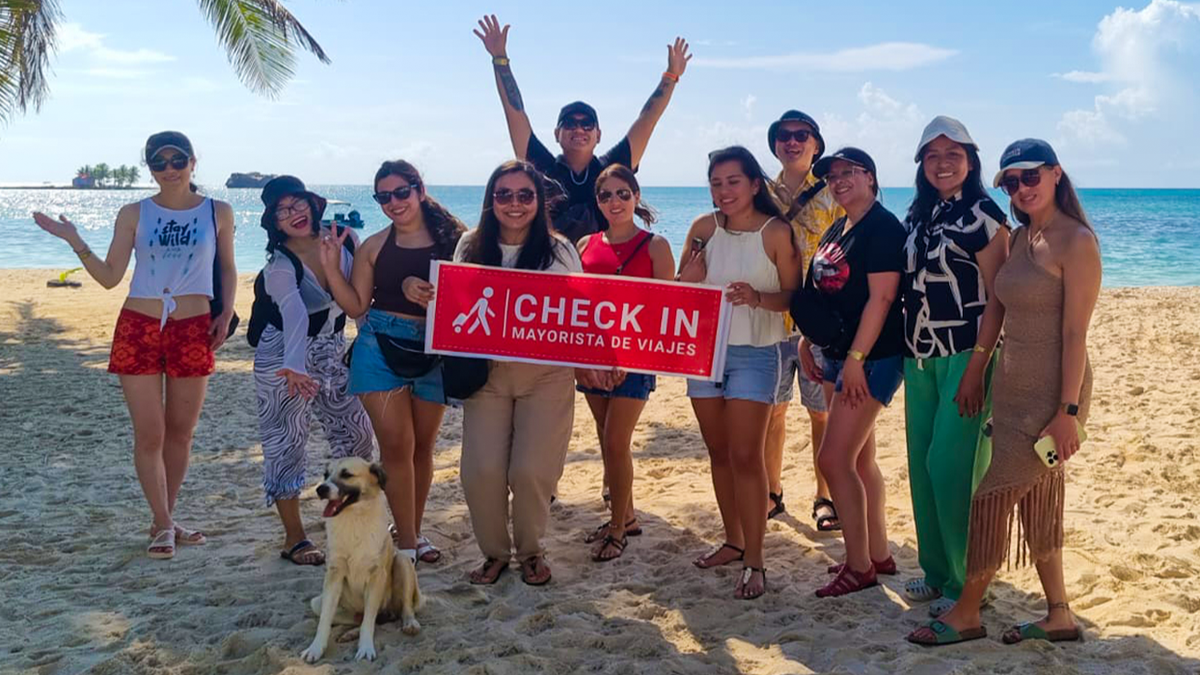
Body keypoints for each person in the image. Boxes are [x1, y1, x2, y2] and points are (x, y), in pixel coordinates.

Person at [908, 139, 1100, 646]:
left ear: (1056, 174)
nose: (1020, 188)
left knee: (990, 499)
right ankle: (1058, 615)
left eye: (1030, 177)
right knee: (1038, 499)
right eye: (1011, 182)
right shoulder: (1020, 238)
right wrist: (978, 365)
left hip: (1053, 393)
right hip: (1011, 387)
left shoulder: (1075, 241)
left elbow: (1076, 333)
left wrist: (1068, 411)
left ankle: (967, 611)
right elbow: (996, 308)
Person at [33, 131, 236, 560]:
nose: (168, 169)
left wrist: (225, 312)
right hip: (139, 325)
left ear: (193, 162)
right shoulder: (133, 213)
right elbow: (110, 277)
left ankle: (166, 516)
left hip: (193, 325)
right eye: (158, 162)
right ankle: (163, 523)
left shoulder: (218, 212)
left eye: (176, 159)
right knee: (150, 433)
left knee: (181, 433)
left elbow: (228, 268)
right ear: (149, 168)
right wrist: (74, 241)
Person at [319, 160, 466, 565]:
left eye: (401, 192)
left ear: (419, 189)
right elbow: (355, 306)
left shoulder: (456, 239)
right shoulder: (375, 246)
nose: (394, 203)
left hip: (434, 351)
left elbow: (476, 292)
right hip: (379, 347)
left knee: (422, 448)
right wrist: (332, 268)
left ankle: (411, 534)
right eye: (384, 196)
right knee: (397, 448)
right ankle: (405, 544)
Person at [678, 146, 802, 600]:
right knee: (720, 453)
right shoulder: (702, 229)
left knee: (747, 457)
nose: (723, 191)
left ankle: (755, 558)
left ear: (754, 185)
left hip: (757, 352)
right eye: (716, 183)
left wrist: (757, 298)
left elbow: (794, 296)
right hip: (704, 354)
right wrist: (687, 279)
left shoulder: (775, 232)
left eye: (733, 181)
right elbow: (680, 295)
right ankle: (733, 541)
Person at [452, 160, 582, 586]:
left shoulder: (560, 250)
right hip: (486, 376)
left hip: (546, 376)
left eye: (525, 195)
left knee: (531, 471)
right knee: (481, 471)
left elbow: (580, 316)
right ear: (491, 200)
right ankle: (493, 554)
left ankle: (531, 553)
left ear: (539, 201)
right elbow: (458, 308)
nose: (514, 203)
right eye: (504, 194)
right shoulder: (469, 245)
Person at [900, 117, 1010, 615]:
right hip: (918, 357)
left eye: (953, 155)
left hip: (967, 354)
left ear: (970, 161)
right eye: (932, 155)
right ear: (922, 165)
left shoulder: (985, 215)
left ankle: (968, 582)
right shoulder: (918, 214)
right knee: (922, 468)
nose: (943, 164)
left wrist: (977, 367)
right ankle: (937, 572)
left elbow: (998, 299)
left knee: (952, 469)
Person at [474, 14, 691, 243]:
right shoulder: (543, 169)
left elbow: (648, 119)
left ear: (598, 135)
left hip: (602, 267)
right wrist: (500, 59)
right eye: (570, 123)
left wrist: (671, 75)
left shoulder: (612, 168)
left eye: (587, 124)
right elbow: (515, 112)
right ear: (557, 134)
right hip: (552, 267)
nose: (579, 129)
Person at [252, 176, 376, 566]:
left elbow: (361, 296)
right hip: (282, 356)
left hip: (333, 347)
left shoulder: (345, 239)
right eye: (282, 211)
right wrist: (292, 364)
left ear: (313, 204)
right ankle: (295, 538)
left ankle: (350, 519)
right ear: (274, 222)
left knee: (356, 433)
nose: (294, 214)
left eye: (298, 204)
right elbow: (291, 313)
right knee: (286, 441)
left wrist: (368, 345)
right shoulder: (279, 264)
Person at [802, 148, 906, 598]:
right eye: (832, 175)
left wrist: (857, 360)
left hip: (871, 358)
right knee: (860, 459)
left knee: (833, 459)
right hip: (835, 353)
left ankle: (858, 565)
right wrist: (810, 340)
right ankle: (878, 553)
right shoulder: (840, 225)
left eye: (849, 172)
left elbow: (881, 300)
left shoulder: (881, 228)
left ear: (871, 176)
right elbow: (825, 288)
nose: (839, 180)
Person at [576, 164, 676, 562]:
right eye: (605, 196)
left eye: (622, 193)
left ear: (635, 196)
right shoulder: (585, 244)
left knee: (617, 441)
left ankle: (617, 529)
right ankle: (627, 514)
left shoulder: (656, 246)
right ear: (597, 202)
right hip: (593, 359)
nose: (614, 202)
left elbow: (665, 312)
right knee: (606, 439)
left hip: (634, 360)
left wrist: (631, 359)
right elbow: (576, 307)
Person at [762, 110, 845, 530]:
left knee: (821, 414)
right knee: (772, 412)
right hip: (770, 317)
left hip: (817, 322)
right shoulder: (760, 191)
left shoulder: (833, 192)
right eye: (784, 135)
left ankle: (824, 495)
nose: (792, 142)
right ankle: (772, 492)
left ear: (816, 144)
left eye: (801, 135)